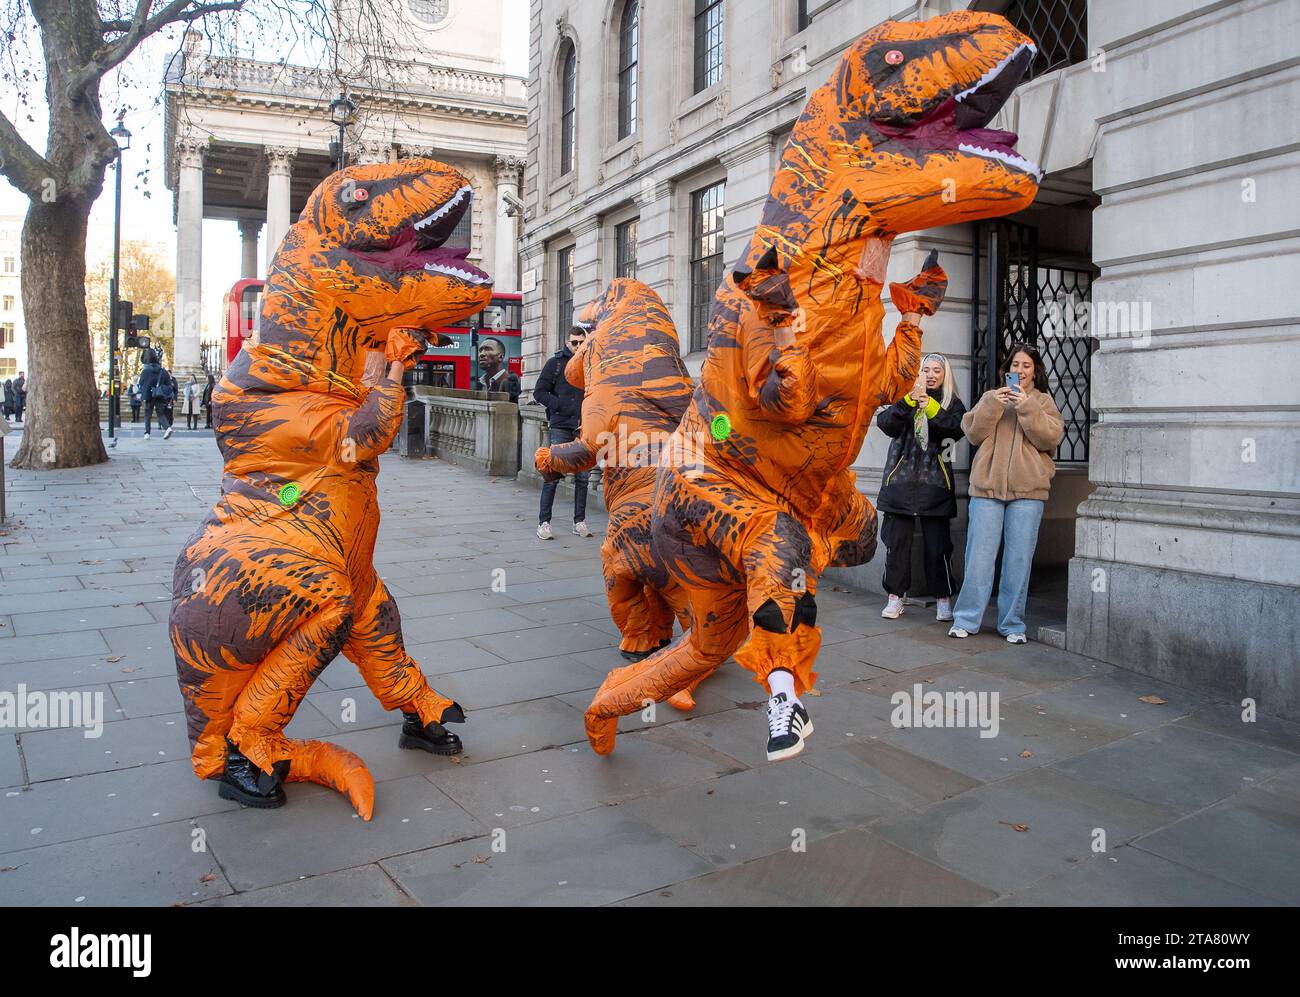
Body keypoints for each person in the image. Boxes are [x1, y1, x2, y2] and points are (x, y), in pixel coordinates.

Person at [949, 342, 1064, 643]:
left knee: (1018, 561)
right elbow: (972, 433)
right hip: (987, 490)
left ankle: (1012, 624)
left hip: (1028, 493)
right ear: (1007, 369)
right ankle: (966, 619)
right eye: (1015, 365)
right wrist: (993, 405)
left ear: (1035, 371)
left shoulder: (1044, 402)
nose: (1020, 370)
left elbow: (1049, 438)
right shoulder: (992, 397)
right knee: (979, 559)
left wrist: (1026, 404)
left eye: (1026, 366)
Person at [875, 352, 966, 622]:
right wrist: (908, 401)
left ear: (945, 375)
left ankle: (943, 599)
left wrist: (931, 407)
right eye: (927, 369)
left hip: (935, 486)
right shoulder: (906, 396)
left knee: (938, 548)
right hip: (900, 484)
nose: (931, 374)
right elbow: (885, 423)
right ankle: (894, 597)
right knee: (897, 544)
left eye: (937, 370)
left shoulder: (952, 403)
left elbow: (955, 429)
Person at [532, 324, 590, 540]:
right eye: (574, 343)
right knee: (553, 476)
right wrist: (559, 405)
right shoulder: (555, 363)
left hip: (584, 428)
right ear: (567, 343)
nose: (577, 346)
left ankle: (579, 522)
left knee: (583, 478)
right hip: (560, 425)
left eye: (581, 343)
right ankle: (544, 523)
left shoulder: (590, 364)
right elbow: (539, 392)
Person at [137, 348, 174, 439]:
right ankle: (167, 427)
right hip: (160, 395)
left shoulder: (145, 371)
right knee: (160, 413)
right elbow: (169, 384)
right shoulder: (163, 371)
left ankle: (147, 433)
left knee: (148, 414)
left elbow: (141, 383)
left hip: (149, 395)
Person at [473, 336, 521, 401]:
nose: (482, 354)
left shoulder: (509, 382)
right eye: (480, 350)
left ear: (500, 357)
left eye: (488, 349)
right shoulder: (480, 383)